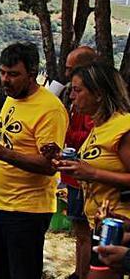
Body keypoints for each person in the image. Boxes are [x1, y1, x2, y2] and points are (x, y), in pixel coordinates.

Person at [0, 42, 68, 279]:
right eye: (3, 72)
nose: (6, 80)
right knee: (1, 272)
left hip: (28, 210)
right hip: (0, 203)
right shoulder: (12, 96)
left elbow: (49, 166)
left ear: (32, 74)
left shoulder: (49, 109)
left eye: (14, 74)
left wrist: (2, 154)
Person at [56, 62, 130, 279]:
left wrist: (93, 174)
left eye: (78, 90)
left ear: (98, 94)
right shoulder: (99, 126)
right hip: (98, 222)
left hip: (120, 226)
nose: (72, 96)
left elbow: (97, 171)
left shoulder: (123, 127)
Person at [59, 46, 99, 279]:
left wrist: (65, 134)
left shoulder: (91, 107)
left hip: (84, 179)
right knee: (79, 229)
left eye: (70, 68)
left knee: (86, 230)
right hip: (73, 178)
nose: (66, 73)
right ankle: (79, 271)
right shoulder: (73, 99)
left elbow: (88, 139)